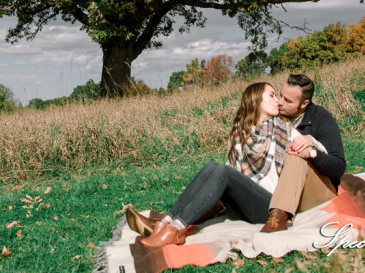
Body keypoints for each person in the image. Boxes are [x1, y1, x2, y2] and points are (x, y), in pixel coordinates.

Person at [135, 81, 293, 248]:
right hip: (243, 204)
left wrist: (310, 143)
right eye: (272, 95)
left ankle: (176, 229)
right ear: (256, 101)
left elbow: (312, 149)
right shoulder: (240, 132)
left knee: (223, 171)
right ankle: (167, 221)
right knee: (212, 166)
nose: (278, 100)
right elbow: (231, 170)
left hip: (271, 208)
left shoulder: (283, 129)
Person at [259, 73, 346, 233]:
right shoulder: (274, 115)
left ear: (304, 103)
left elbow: (339, 167)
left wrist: (313, 154)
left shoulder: (321, 119)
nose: (280, 102)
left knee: (295, 151)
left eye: (288, 101)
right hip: (280, 188)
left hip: (317, 191)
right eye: (280, 95)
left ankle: (277, 221)